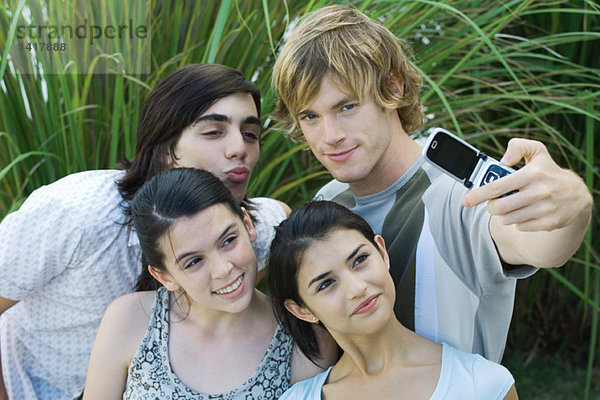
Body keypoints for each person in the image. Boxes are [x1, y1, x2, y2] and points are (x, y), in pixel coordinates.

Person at [272, 5, 593, 363]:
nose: (329, 136)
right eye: (311, 116)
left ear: (393, 88)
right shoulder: (328, 201)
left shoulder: (456, 192)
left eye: (346, 107)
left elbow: (542, 246)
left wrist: (573, 203)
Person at [0, 64, 289, 399]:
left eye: (250, 134)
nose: (240, 148)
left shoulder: (252, 234)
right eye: (214, 132)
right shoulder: (77, 214)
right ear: (165, 146)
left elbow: (278, 217)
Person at [83, 168, 334, 399]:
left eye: (228, 241)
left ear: (247, 225)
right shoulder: (129, 319)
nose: (223, 269)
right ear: (165, 276)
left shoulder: (305, 340)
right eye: (193, 262)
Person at [268, 201, 519, 399]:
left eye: (360, 260)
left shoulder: (483, 385)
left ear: (382, 252)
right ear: (301, 310)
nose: (357, 288)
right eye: (326, 284)